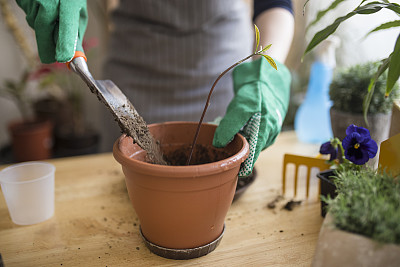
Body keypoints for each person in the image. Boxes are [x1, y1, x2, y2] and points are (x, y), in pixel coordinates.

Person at [16, 0, 294, 178]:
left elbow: (275, 3)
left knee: (216, 159)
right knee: (124, 181)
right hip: (136, 67)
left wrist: (266, 71)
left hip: (222, 66)